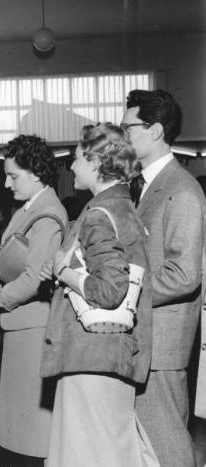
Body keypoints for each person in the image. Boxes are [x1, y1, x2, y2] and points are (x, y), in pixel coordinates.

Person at [40, 123, 156, 466]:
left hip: (91, 356)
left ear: (95, 161)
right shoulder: (124, 208)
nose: (71, 166)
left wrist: (64, 272)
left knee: (85, 455)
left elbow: (109, 289)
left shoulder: (98, 215)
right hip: (113, 355)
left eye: (76, 158)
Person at [123, 89, 206, 467]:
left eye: (128, 128)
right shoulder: (147, 187)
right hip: (147, 338)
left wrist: (123, 292)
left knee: (167, 441)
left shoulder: (182, 191)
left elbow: (184, 275)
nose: (123, 137)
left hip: (164, 344)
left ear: (154, 130)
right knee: (148, 442)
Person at [0, 134, 68, 465]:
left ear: (36, 173)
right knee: (18, 429)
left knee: (31, 432)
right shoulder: (28, 209)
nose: (6, 183)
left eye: (13, 175)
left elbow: (34, 278)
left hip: (33, 330)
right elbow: (9, 258)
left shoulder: (47, 216)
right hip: (20, 326)